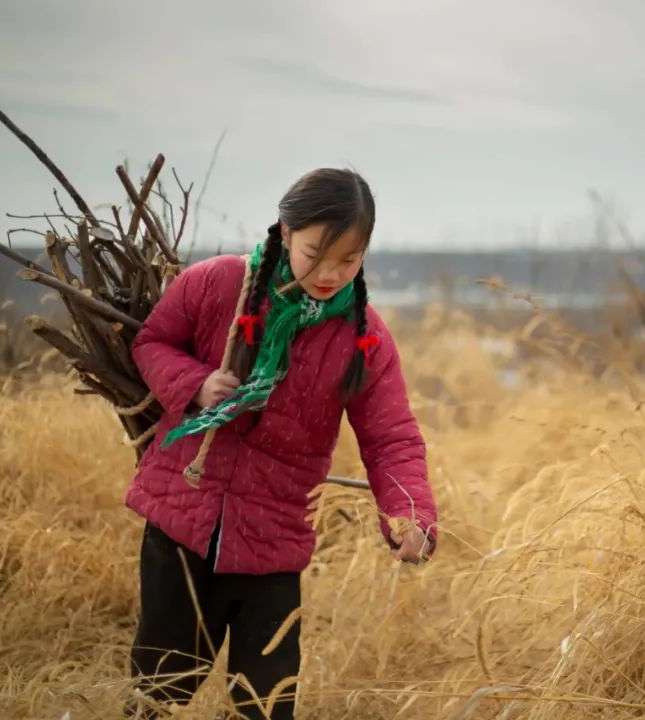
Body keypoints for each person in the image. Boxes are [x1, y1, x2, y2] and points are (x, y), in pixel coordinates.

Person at [123, 168, 438, 719]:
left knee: (267, 702)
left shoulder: (365, 339)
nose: (331, 273)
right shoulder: (219, 283)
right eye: (317, 252)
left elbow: (391, 439)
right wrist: (195, 386)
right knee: (158, 691)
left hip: (273, 538)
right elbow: (152, 342)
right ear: (286, 233)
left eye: (350, 259)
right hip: (181, 522)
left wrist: (410, 514)